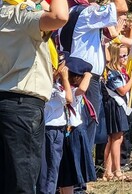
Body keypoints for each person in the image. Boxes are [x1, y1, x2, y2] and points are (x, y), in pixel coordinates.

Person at [0, 0, 69, 192]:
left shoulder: (5, 7)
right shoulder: (21, 13)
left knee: (8, 178)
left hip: (7, 101)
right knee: (23, 179)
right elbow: (60, 17)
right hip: (22, 105)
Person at [60, 0, 128, 181]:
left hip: (72, 74)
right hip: (87, 78)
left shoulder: (69, 10)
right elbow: (122, 8)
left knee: (74, 126)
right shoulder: (87, 13)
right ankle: (79, 181)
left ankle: (72, 178)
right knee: (85, 128)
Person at [57, 57, 95, 194]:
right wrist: (89, 75)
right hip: (70, 132)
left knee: (73, 167)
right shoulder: (69, 90)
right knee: (69, 168)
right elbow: (83, 88)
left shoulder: (70, 89)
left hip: (75, 131)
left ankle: (75, 189)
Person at [102, 43, 132, 181]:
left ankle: (108, 171)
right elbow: (122, 90)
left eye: (126, 55)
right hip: (114, 105)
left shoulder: (119, 72)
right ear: (116, 56)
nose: (125, 58)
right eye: (123, 55)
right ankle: (116, 170)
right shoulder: (112, 73)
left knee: (116, 138)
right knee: (116, 138)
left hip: (118, 105)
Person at [38, 56, 72, 194]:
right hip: (50, 129)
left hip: (58, 128)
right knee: (50, 167)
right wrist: (65, 78)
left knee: (55, 166)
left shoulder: (57, 85)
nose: (64, 69)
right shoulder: (48, 85)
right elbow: (69, 98)